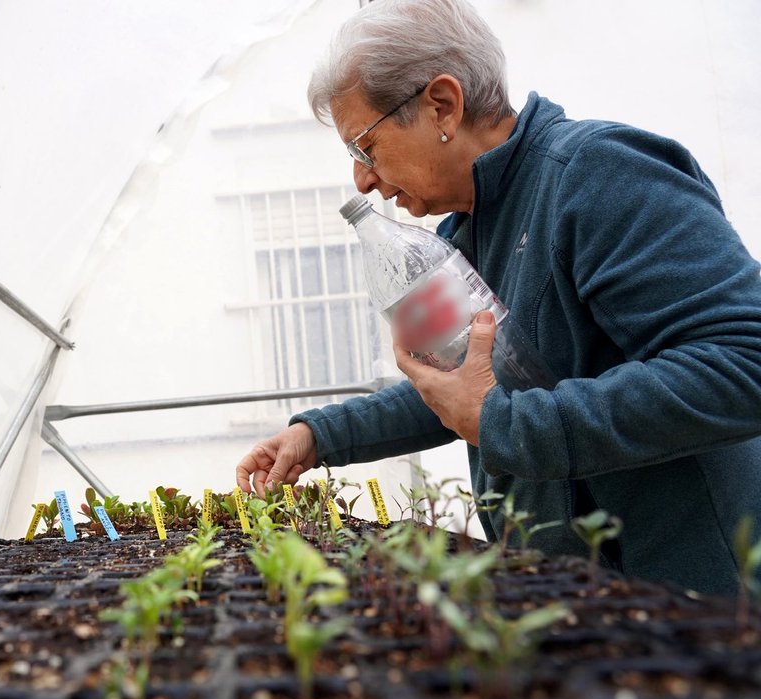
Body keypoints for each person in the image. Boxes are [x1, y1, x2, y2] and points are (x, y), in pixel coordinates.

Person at [235, 0, 761, 594]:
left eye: (365, 146)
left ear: (442, 105)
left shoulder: (597, 175)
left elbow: (743, 362)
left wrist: (506, 422)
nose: (363, 179)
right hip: (573, 598)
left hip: (697, 599)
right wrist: (320, 436)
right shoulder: (462, 235)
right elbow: (469, 391)